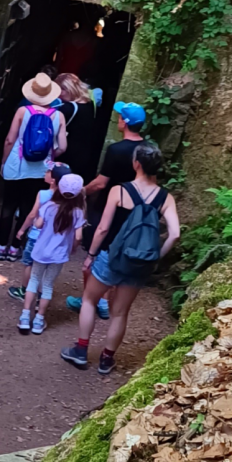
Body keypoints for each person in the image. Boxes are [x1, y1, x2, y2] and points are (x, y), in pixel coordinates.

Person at [61, 143, 180, 373]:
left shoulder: (120, 191)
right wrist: (155, 258)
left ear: (136, 164)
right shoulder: (166, 198)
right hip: (139, 263)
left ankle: (81, 350)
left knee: (89, 300)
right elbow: (175, 234)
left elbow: (103, 228)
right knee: (120, 312)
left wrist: (91, 255)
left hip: (111, 256)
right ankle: (107, 359)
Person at [65, 101, 146, 318]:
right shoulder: (147, 149)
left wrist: (81, 191)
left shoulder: (116, 150)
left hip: (110, 206)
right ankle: (103, 299)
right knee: (114, 252)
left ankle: (92, 300)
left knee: (97, 252)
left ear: (124, 122)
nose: (118, 119)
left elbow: (101, 183)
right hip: (134, 211)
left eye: (120, 116)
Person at [0, 73, 67, 261]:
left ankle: (1, 246)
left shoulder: (22, 111)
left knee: (9, 205)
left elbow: (10, 139)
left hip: (16, 165)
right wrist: (49, 156)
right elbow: (63, 147)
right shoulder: (59, 116)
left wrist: (3, 162)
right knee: (28, 207)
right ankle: (15, 248)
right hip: (40, 169)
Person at [17, 174, 86, 335]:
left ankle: (25, 317)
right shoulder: (78, 212)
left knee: (34, 280)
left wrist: (37, 223)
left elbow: (38, 224)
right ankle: (39, 319)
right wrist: (73, 248)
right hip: (59, 254)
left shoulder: (48, 206)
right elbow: (79, 236)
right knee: (47, 285)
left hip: (41, 250)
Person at [7, 162, 72, 301]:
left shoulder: (43, 194)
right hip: (55, 240)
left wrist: (22, 230)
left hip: (37, 236)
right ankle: (41, 296)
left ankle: (24, 291)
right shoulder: (69, 200)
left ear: (53, 180)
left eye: (48, 171)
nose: (45, 172)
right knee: (47, 268)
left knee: (29, 264)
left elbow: (32, 215)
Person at [53, 73, 96, 183]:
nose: (58, 95)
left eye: (60, 90)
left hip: (67, 154)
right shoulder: (89, 103)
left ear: (68, 89)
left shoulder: (67, 108)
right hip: (84, 153)